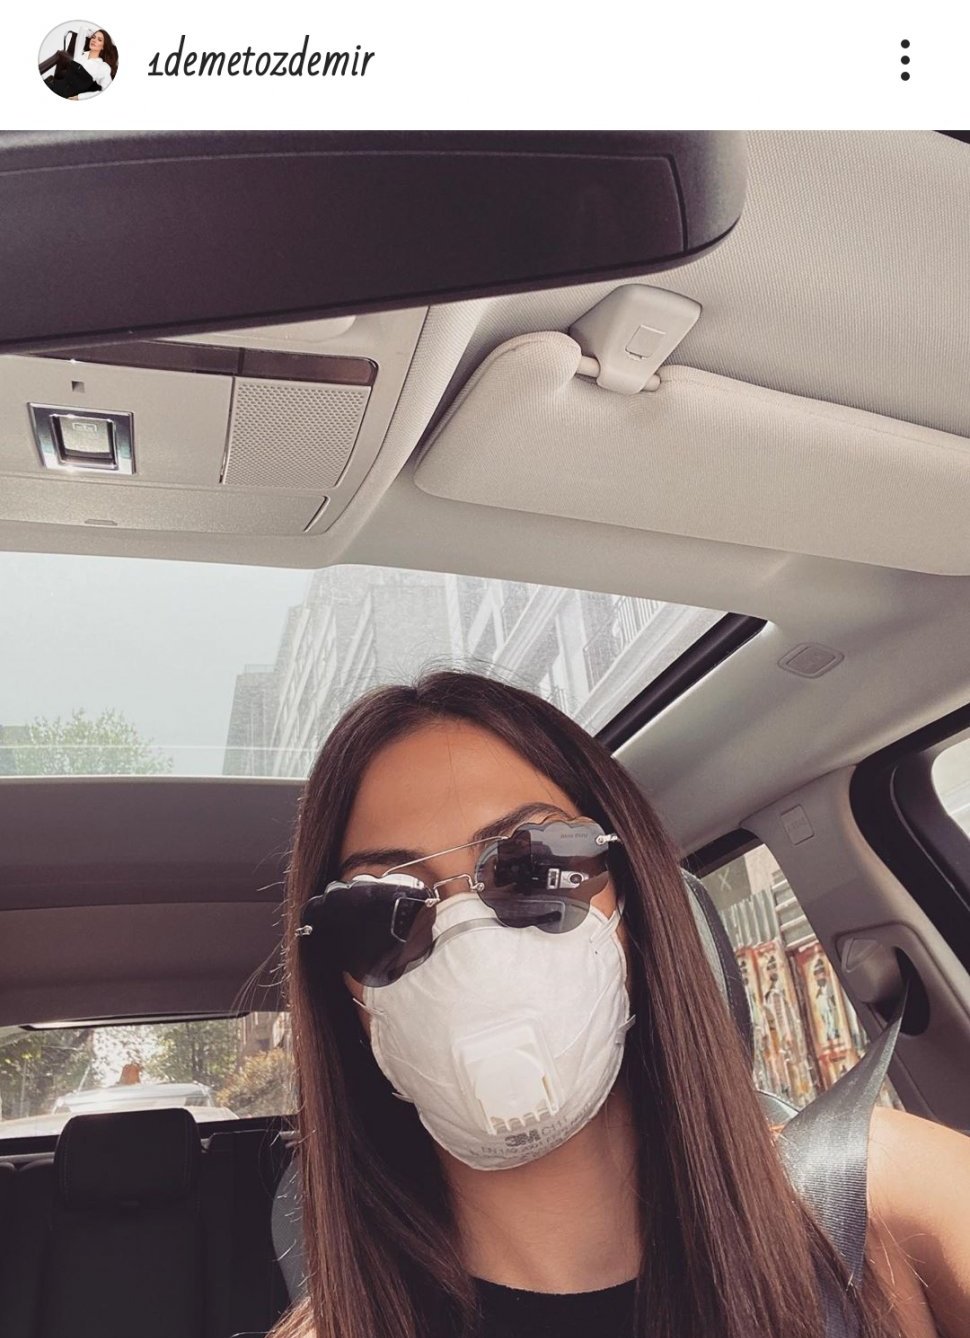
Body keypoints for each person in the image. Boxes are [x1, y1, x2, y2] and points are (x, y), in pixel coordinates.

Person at [270, 669, 970, 1338]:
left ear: (633, 908)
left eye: (537, 866)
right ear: (344, 992)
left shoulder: (882, 1196)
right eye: (379, 909)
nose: (470, 948)